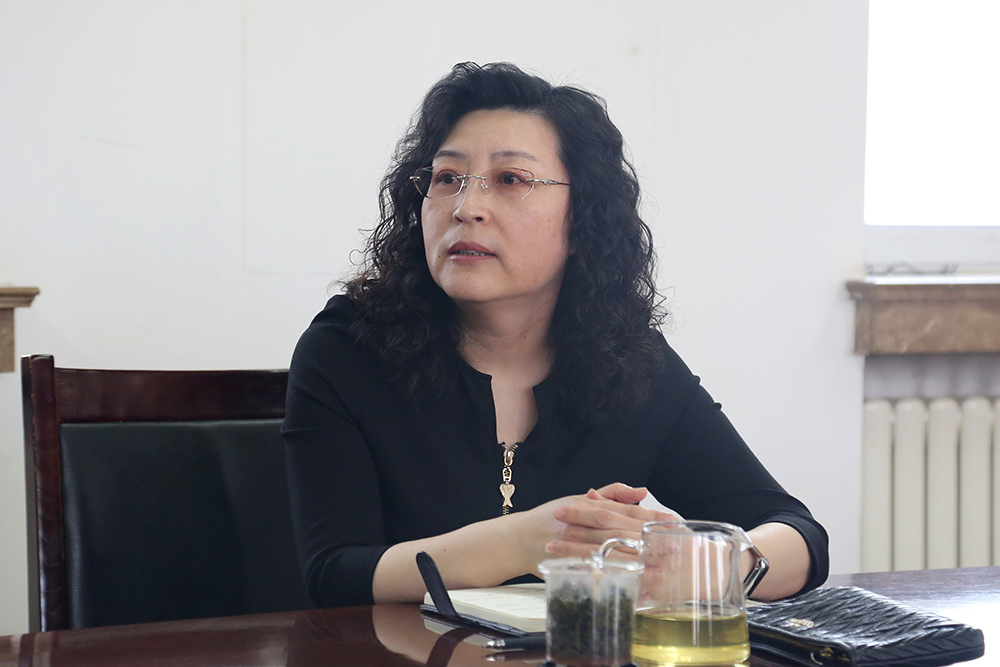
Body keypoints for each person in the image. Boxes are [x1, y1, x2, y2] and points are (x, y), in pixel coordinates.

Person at [282, 62, 829, 609]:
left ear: (583, 218)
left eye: (511, 180)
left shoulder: (628, 360)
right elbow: (333, 574)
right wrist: (520, 543)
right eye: (447, 178)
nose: (466, 208)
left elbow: (799, 536)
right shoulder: (349, 348)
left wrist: (706, 568)